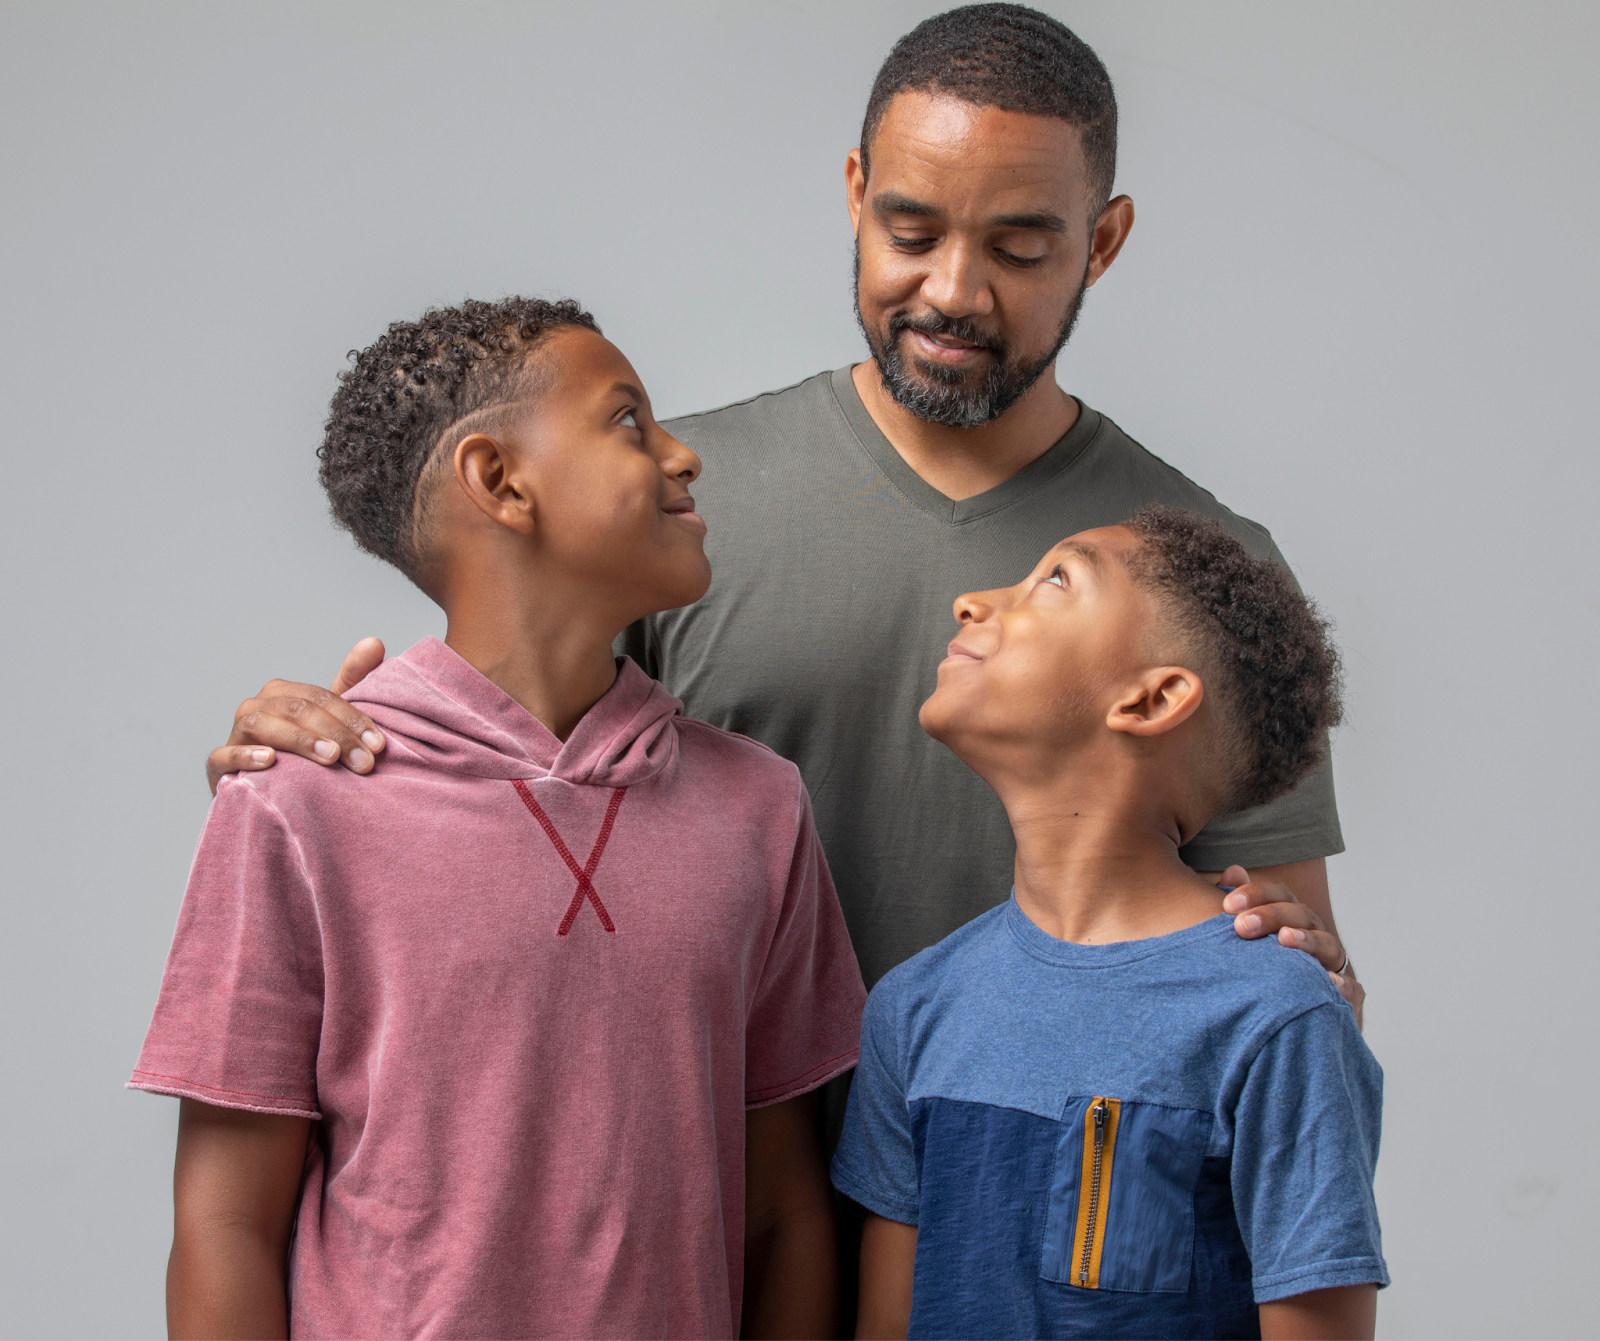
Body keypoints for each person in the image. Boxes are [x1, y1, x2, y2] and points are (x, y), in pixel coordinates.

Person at [204, 5, 1361, 1023]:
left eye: (1017, 248)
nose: (952, 291)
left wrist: (1306, 986)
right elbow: (483, 803)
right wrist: (329, 758)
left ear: (1100, 243)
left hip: (1049, 1185)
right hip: (706, 1177)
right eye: (910, 233)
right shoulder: (672, 509)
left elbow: (1285, 977)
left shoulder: (1202, 570)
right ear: (854, 194)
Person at [130, 297, 865, 1341]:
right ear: (499, 480)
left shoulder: (758, 808)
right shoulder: (296, 802)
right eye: (628, 421)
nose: (683, 455)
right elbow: (223, 1224)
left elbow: (782, 1214)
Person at [835, 507, 1385, 1340]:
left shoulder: (1278, 1016)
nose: (971, 601)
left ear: (1153, 698)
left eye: (1056, 578)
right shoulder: (912, 1007)